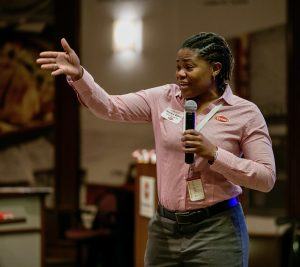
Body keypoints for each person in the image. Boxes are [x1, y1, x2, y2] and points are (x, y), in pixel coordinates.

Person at [37, 32, 276, 267]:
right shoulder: (162, 98)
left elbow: (266, 178)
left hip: (217, 229)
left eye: (189, 67)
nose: (181, 74)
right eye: (178, 67)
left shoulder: (245, 113)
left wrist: (215, 154)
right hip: (165, 228)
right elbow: (109, 107)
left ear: (215, 68)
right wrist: (80, 76)